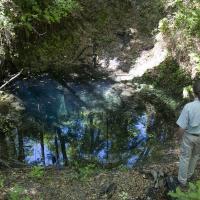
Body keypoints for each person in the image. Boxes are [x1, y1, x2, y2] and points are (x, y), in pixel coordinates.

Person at [176, 80, 200, 186]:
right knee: (195, 156)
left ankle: (182, 181)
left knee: (185, 157)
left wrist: (178, 138)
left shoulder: (189, 106)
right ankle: (190, 175)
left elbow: (182, 127)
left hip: (189, 136)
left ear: (194, 92)